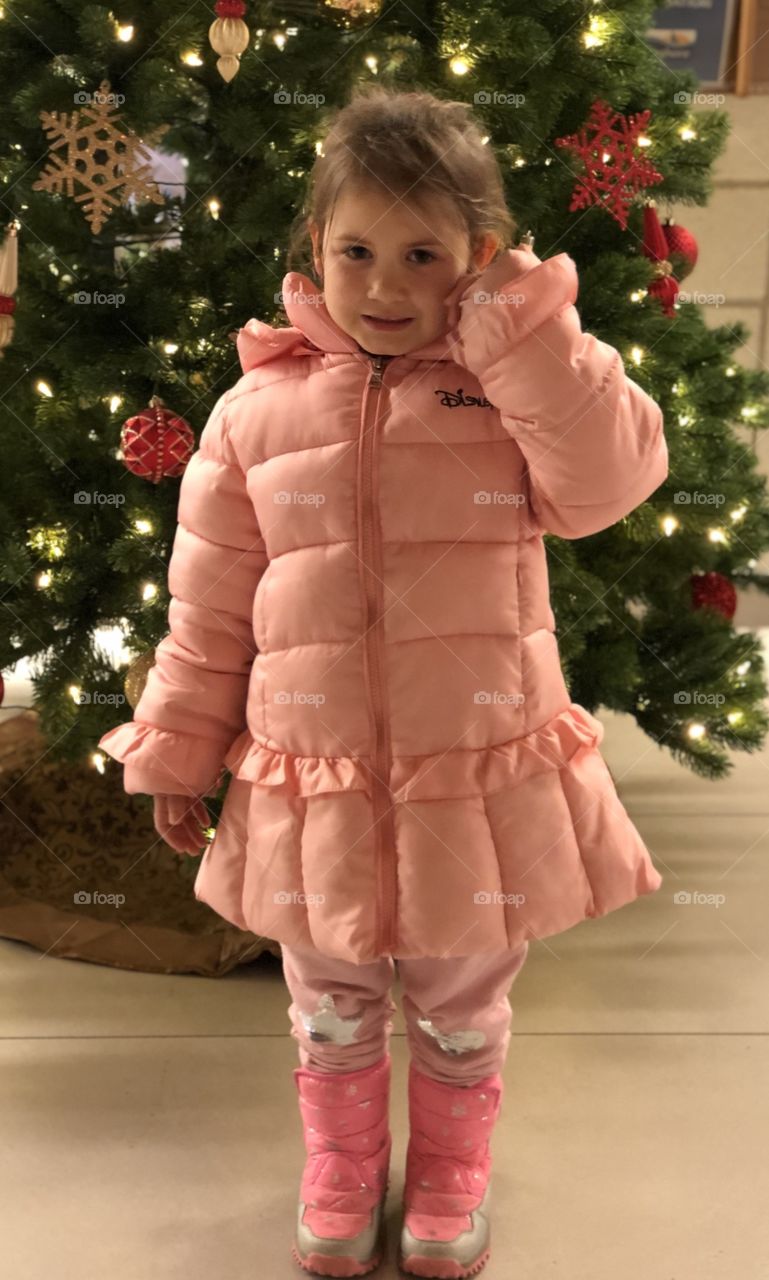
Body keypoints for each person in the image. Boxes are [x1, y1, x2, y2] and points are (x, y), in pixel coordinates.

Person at [99, 84, 668, 1279]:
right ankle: (342, 1163)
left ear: (477, 260)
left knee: (464, 993)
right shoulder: (253, 412)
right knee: (330, 994)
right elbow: (206, 612)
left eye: (423, 254)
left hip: (472, 763)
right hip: (318, 776)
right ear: (316, 248)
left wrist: (519, 328)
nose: (385, 284)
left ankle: (455, 1170)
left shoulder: (513, 389)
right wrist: (176, 748)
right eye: (355, 250)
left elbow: (609, 480)